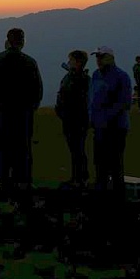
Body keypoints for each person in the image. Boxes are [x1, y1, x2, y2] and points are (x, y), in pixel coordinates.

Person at [0, 28, 44, 190]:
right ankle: (23, 179)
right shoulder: (29, 62)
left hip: (4, 110)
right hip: (23, 112)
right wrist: (32, 106)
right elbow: (37, 88)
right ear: (22, 42)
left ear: (7, 41)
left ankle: (0, 178)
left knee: (1, 145)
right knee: (23, 145)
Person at [89, 46, 132, 198]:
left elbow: (124, 103)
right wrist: (92, 118)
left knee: (115, 164)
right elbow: (92, 99)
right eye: (97, 57)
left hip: (116, 128)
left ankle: (117, 195)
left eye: (102, 57)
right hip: (99, 127)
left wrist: (106, 118)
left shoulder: (121, 77)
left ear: (111, 58)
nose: (98, 60)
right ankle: (101, 192)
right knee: (99, 162)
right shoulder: (96, 75)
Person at [54, 50, 91, 188]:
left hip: (78, 119)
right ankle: (75, 177)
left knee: (78, 149)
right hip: (68, 118)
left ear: (78, 62)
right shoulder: (68, 77)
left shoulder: (84, 79)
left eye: (71, 60)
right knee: (73, 149)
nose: (69, 62)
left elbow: (82, 100)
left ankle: (81, 178)